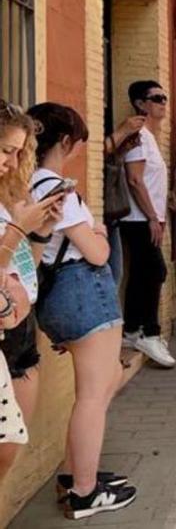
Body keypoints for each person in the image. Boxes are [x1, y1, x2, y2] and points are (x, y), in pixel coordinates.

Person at [29, 103, 138, 518]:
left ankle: (75, 473)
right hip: (83, 291)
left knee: (105, 379)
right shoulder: (56, 187)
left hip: (60, 296)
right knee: (93, 395)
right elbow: (96, 252)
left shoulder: (28, 184)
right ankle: (85, 491)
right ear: (64, 141)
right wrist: (98, 231)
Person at [0, 102, 63, 488]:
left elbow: (20, 265)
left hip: (20, 330)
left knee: (8, 453)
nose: (13, 161)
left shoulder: (5, 195)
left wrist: (39, 231)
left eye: (20, 152)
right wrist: (18, 231)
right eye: (7, 149)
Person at [118, 81, 175, 368]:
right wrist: (152, 217)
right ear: (140, 104)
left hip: (148, 218)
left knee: (144, 272)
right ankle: (149, 332)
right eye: (156, 98)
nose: (163, 102)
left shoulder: (149, 136)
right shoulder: (137, 135)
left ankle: (131, 330)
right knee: (155, 270)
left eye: (164, 98)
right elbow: (135, 179)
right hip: (138, 219)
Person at [102, 113, 146, 287]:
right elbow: (97, 154)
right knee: (111, 275)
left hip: (112, 216)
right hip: (102, 215)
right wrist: (122, 132)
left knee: (116, 274)